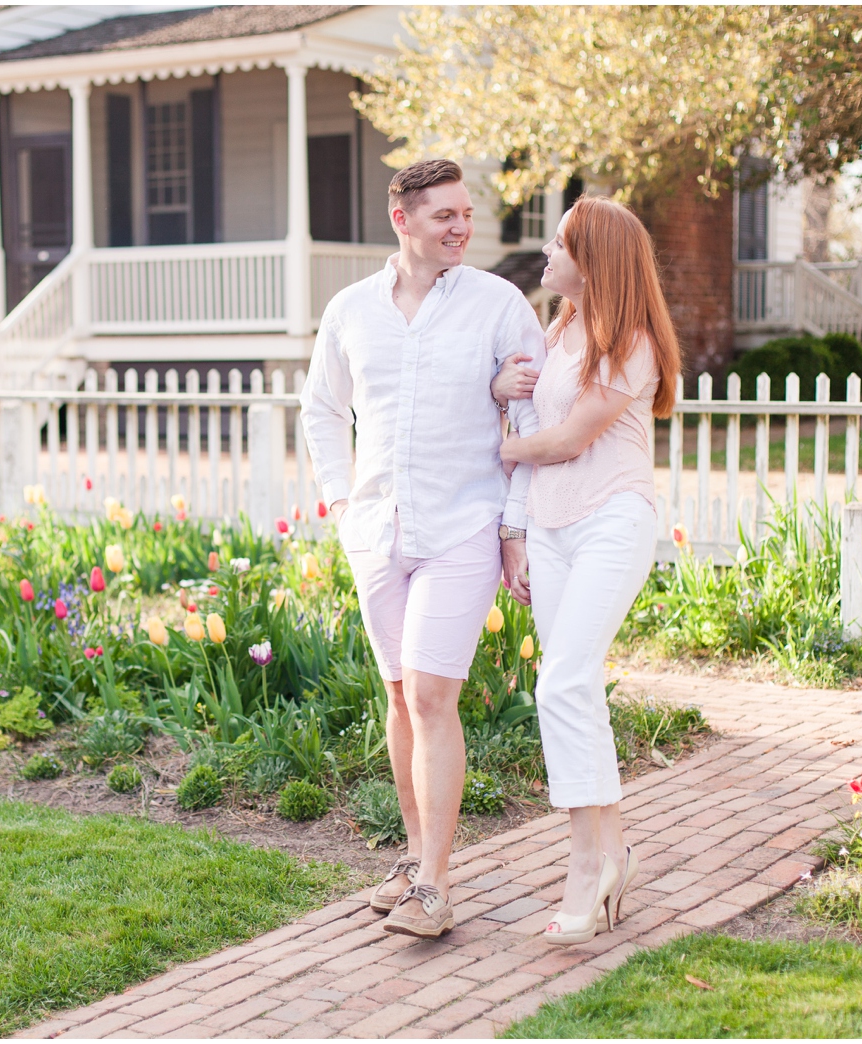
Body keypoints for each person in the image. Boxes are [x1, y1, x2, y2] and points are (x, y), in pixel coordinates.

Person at [299, 158, 544, 938]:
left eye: (465, 214)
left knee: (435, 695)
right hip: (377, 532)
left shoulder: (499, 305)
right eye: (445, 216)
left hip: (462, 526)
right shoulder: (350, 310)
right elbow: (321, 410)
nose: (461, 228)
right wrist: (341, 500)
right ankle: (413, 858)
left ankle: (436, 886)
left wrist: (513, 527)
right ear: (402, 219)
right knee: (401, 694)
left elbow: (535, 417)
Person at [490, 195, 682, 945]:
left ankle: (582, 862)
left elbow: (565, 439)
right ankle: (613, 854)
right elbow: (531, 420)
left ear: (593, 256)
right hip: (550, 527)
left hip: (612, 519)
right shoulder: (561, 329)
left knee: (564, 680)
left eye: (561, 241)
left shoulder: (630, 341)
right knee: (576, 688)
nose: (547, 249)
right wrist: (515, 526)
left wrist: (500, 447)